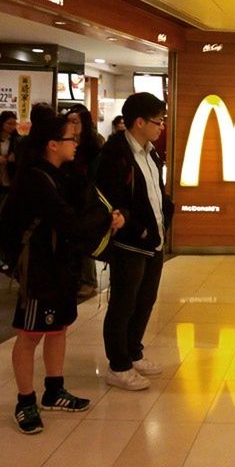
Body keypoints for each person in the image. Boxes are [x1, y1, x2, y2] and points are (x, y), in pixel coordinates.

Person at [8, 115, 122, 434]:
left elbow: (84, 205)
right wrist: (102, 220)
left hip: (61, 265)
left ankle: (54, 390)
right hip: (39, 269)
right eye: (71, 139)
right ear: (53, 145)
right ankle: (25, 400)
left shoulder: (63, 174)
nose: (76, 144)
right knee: (30, 334)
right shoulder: (36, 178)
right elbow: (67, 220)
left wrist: (108, 215)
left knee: (58, 328)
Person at [96, 93, 174, 391]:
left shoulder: (150, 152)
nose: (161, 127)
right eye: (158, 121)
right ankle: (118, 365)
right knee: (123, 304)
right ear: (138, 122)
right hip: (130, 243)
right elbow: (111, 201)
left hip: (153, 241)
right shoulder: (115, 155)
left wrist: (166, 214)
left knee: (145, 300)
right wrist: (138, 228)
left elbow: (155, 190)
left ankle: (133, 351)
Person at [65, 104, 104, 299]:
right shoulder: (65, 142)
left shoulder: (93, 145)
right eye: (69, 121)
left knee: (86, 241)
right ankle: (76, 278)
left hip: (87, 200)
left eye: (75, 121)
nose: (71, 125)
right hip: (71, 199)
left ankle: (89, 280)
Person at [0, 110, 19, 204]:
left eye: (14, 123)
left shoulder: (16, 140)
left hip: (10, 177)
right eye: (9, 123)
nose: (12, 126)